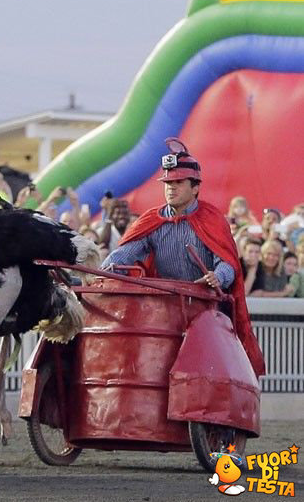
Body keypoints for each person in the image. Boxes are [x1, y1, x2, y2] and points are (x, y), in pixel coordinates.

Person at [102, 137, 264, 376]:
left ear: (196, 186)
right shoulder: (152, 220)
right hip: (162, 313)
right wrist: (103, 271)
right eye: (168, 182)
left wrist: (218, 276)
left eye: (178, 182)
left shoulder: (213, 219)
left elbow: (228, 264)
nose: (171, 187)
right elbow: (123, 254)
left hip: (206, 312)